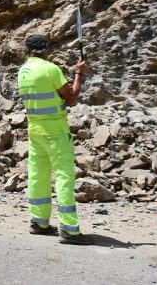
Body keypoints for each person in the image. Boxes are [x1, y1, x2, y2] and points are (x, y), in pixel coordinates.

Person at [17, 33, 93, 245]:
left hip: (35, 129)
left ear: (28, 50)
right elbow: (71, 98)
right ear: (47, 49)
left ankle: (39, 221)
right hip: (55, 131)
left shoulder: (23, 71)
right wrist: (79, 74)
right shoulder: (51, 69)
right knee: (63, 176)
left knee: (37, 175)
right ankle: (69, 229)